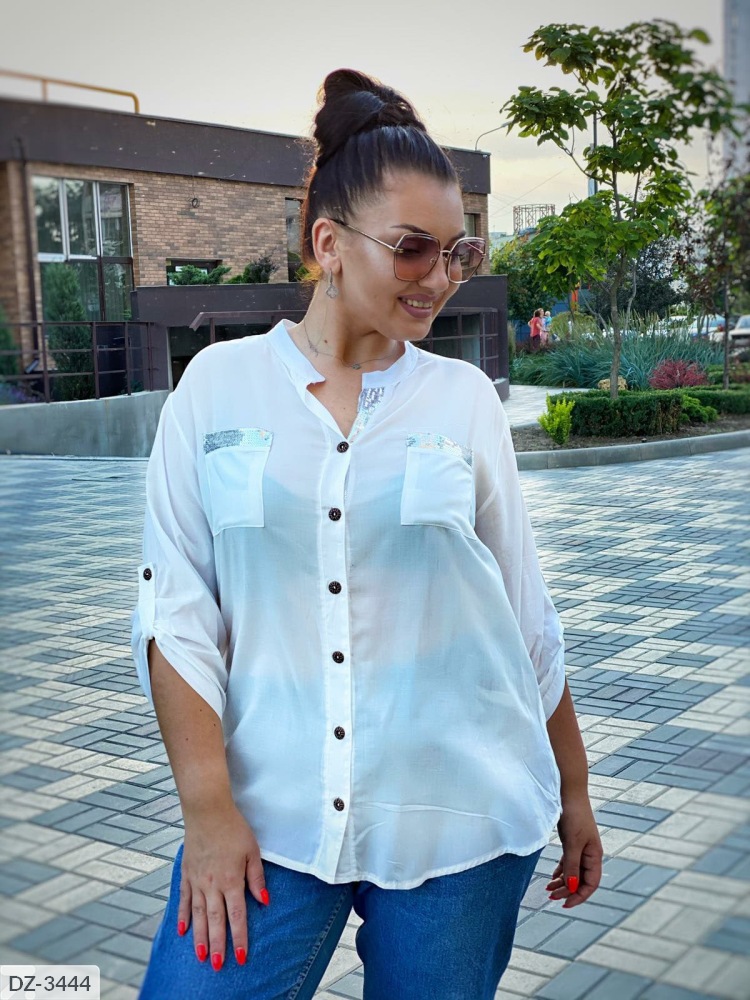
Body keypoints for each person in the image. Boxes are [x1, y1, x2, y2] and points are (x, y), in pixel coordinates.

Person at [131, 68, 602, 1000]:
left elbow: (524, 614)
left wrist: (576, 791)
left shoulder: (465, 401)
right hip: (269, 819)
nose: (441, 277)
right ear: (329, 244)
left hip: (460, 819)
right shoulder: (217, 388)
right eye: (413, 249)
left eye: (458, 252)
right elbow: (175, 612)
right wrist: (206, 810)